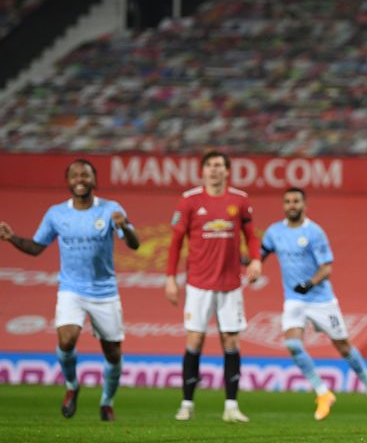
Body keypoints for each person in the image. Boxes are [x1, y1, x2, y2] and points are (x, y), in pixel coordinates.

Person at [0, 159, 139, 422]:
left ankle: (107, 402)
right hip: (71, 289)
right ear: (68, 181)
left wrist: (124, 226)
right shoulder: (56, 214)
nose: (80, 179)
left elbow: (134, 245)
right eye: (75, 175)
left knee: (113, 353)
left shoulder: (111, 210)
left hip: (104, 292)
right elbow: (36, 247)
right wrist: (11, 238)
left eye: (85, 175)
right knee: (66, 340)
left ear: (94, 180)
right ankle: (72, 385)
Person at [261, 187, 367, 422]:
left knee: (344, 348)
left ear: (304, 204)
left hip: (321, 300)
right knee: (293, 344)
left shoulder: (314, 232)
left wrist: (309, 284)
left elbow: (326, 268)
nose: (291, 205)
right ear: (283, 205)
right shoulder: (274, 232)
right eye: (287, 201)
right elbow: (260, 254)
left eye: (296, 201)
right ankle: (322, 392)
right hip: (294, 299)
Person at [165, 150, 262, 423]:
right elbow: (175, 242)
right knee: (194, 340)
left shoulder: (240, 200)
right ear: (203, 171)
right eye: (210, 166)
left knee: (230, 341)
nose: (215, 170)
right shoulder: (189, 200)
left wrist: (255, 260)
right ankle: (186, 403)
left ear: (227, 170)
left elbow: (251, 237)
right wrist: (170, 277)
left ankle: (231, 406)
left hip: (230, 284)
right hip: (198, 284)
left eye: (219, 165)